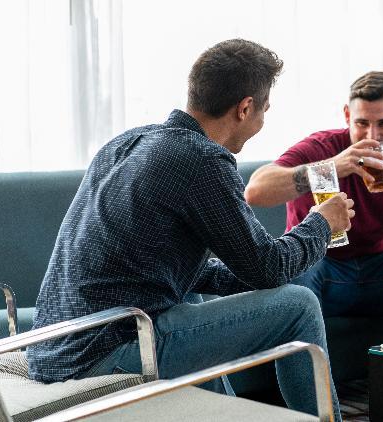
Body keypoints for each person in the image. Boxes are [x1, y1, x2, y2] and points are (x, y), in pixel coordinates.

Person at [27, 39, 352, 420]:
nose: (262, 120)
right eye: (264, 110)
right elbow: (269, 266)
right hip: (108, 350)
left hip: (53, 349)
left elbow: (173, 269)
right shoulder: (202, 159)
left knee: (190, 297)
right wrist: (322, 224)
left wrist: (262, 280)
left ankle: (226, 415)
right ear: (245, 108)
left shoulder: (128, 142)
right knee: (300, 305)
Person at [245, 71, 383, 340]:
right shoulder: (321, 147)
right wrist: (332, 167)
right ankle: (314, 380)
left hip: (378, 275)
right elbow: (255, 191)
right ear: (346, 116)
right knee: (299, 270)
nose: (372, 135)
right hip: (321, 271)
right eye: (362, 123)